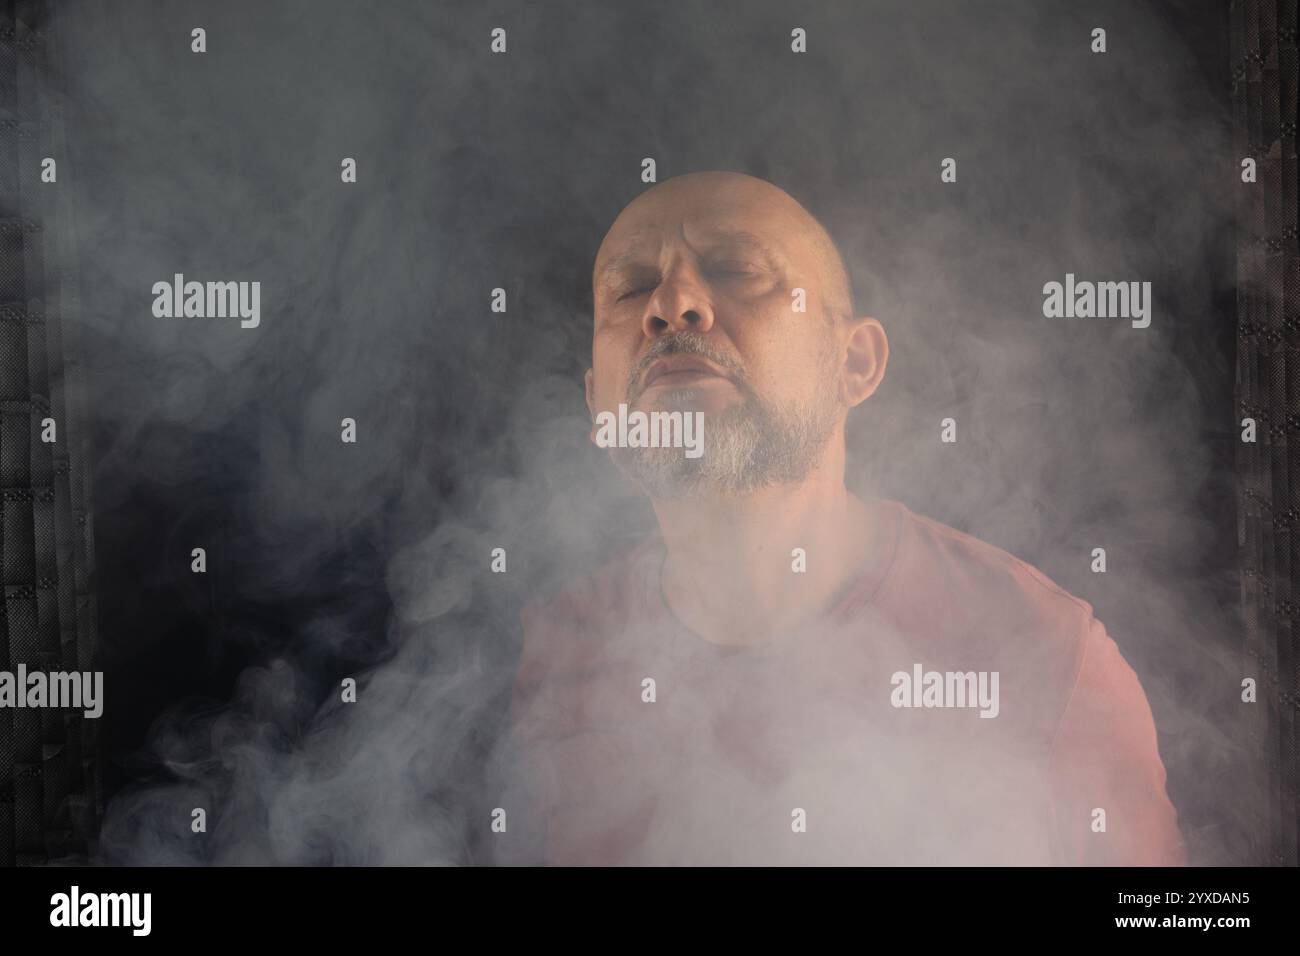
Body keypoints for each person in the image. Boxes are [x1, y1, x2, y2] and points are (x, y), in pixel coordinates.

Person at [497, 170, 1187, 866]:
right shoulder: (557, 657)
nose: (671, 304)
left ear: (853, 363)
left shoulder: (1042, 653)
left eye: (736, 269)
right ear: (596, 407)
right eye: (630, 287)